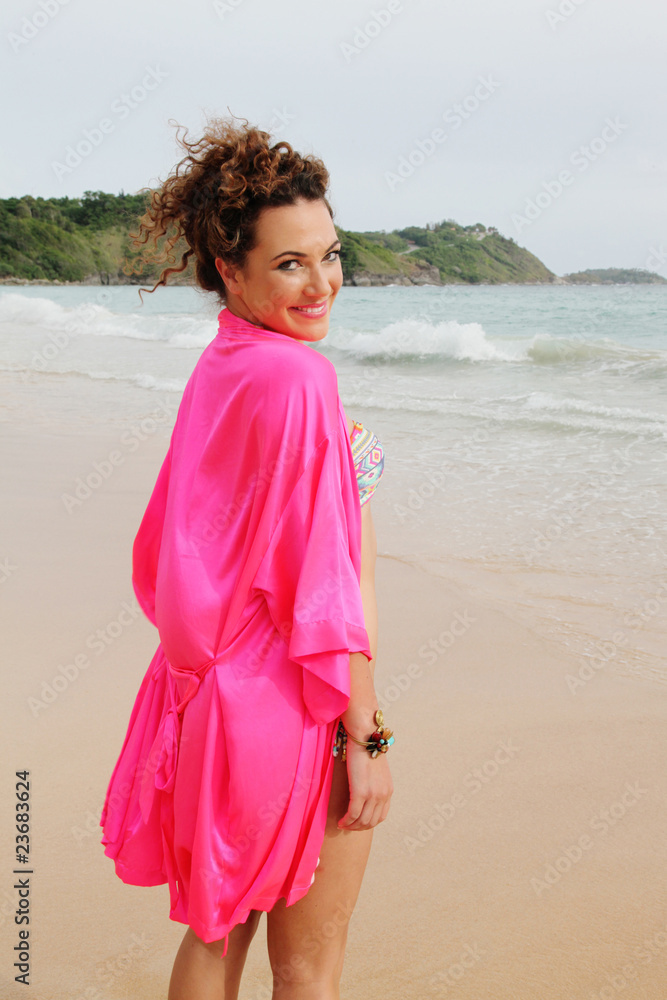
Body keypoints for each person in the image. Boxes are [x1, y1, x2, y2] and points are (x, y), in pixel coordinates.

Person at [99, 115, 394, 1000]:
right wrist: (366, 735)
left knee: (216, 938)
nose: (321, 283)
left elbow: (187, 545)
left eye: (330, 255)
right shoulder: (299, 378)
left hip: (213, 703)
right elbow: (325, 590)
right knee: (308, 973)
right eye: (290, 264)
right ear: (229, 270)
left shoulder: (227, 362)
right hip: (291, 701)